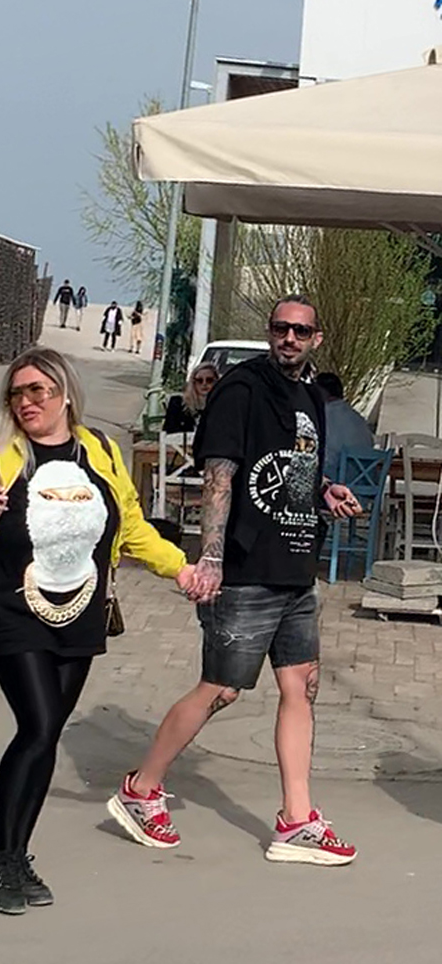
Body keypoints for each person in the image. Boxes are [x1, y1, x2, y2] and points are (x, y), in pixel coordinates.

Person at [108, 295, 363, 866]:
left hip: (296, 567)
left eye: (301, 331)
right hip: (246, 571)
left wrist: (324, 492)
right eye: (281, 328)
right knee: (221, 688)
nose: (290, 338)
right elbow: (219, 476)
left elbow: (294, 468)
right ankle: (141, 789)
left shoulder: (310, 397)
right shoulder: (241, 390)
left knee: (302, 685)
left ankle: (297, 820)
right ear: (269, 332)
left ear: (317, 339)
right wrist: (211, 559)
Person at [0, 347, 193, 915]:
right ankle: (4, 857)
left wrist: (181, 568)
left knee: (46, 734)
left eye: (37, 391)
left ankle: (9, 851)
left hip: (80, 608)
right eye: (16, 393)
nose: (25, 402)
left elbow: (130, 527)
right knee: (38, 725)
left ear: (66, 395)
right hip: (11, 610)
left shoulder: (99, 451)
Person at [315, 372, 374, 480]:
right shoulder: (358, 418)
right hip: (365, 483)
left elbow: (327, 459)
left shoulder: (324, 416)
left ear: (321, 392)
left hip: (337, 483)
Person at [163, 362, 219, 435]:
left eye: (209, 380)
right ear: (193, 382)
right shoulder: (178, 404)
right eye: (199, 380)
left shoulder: (222, 406)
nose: (204, 384)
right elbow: (168, 432)